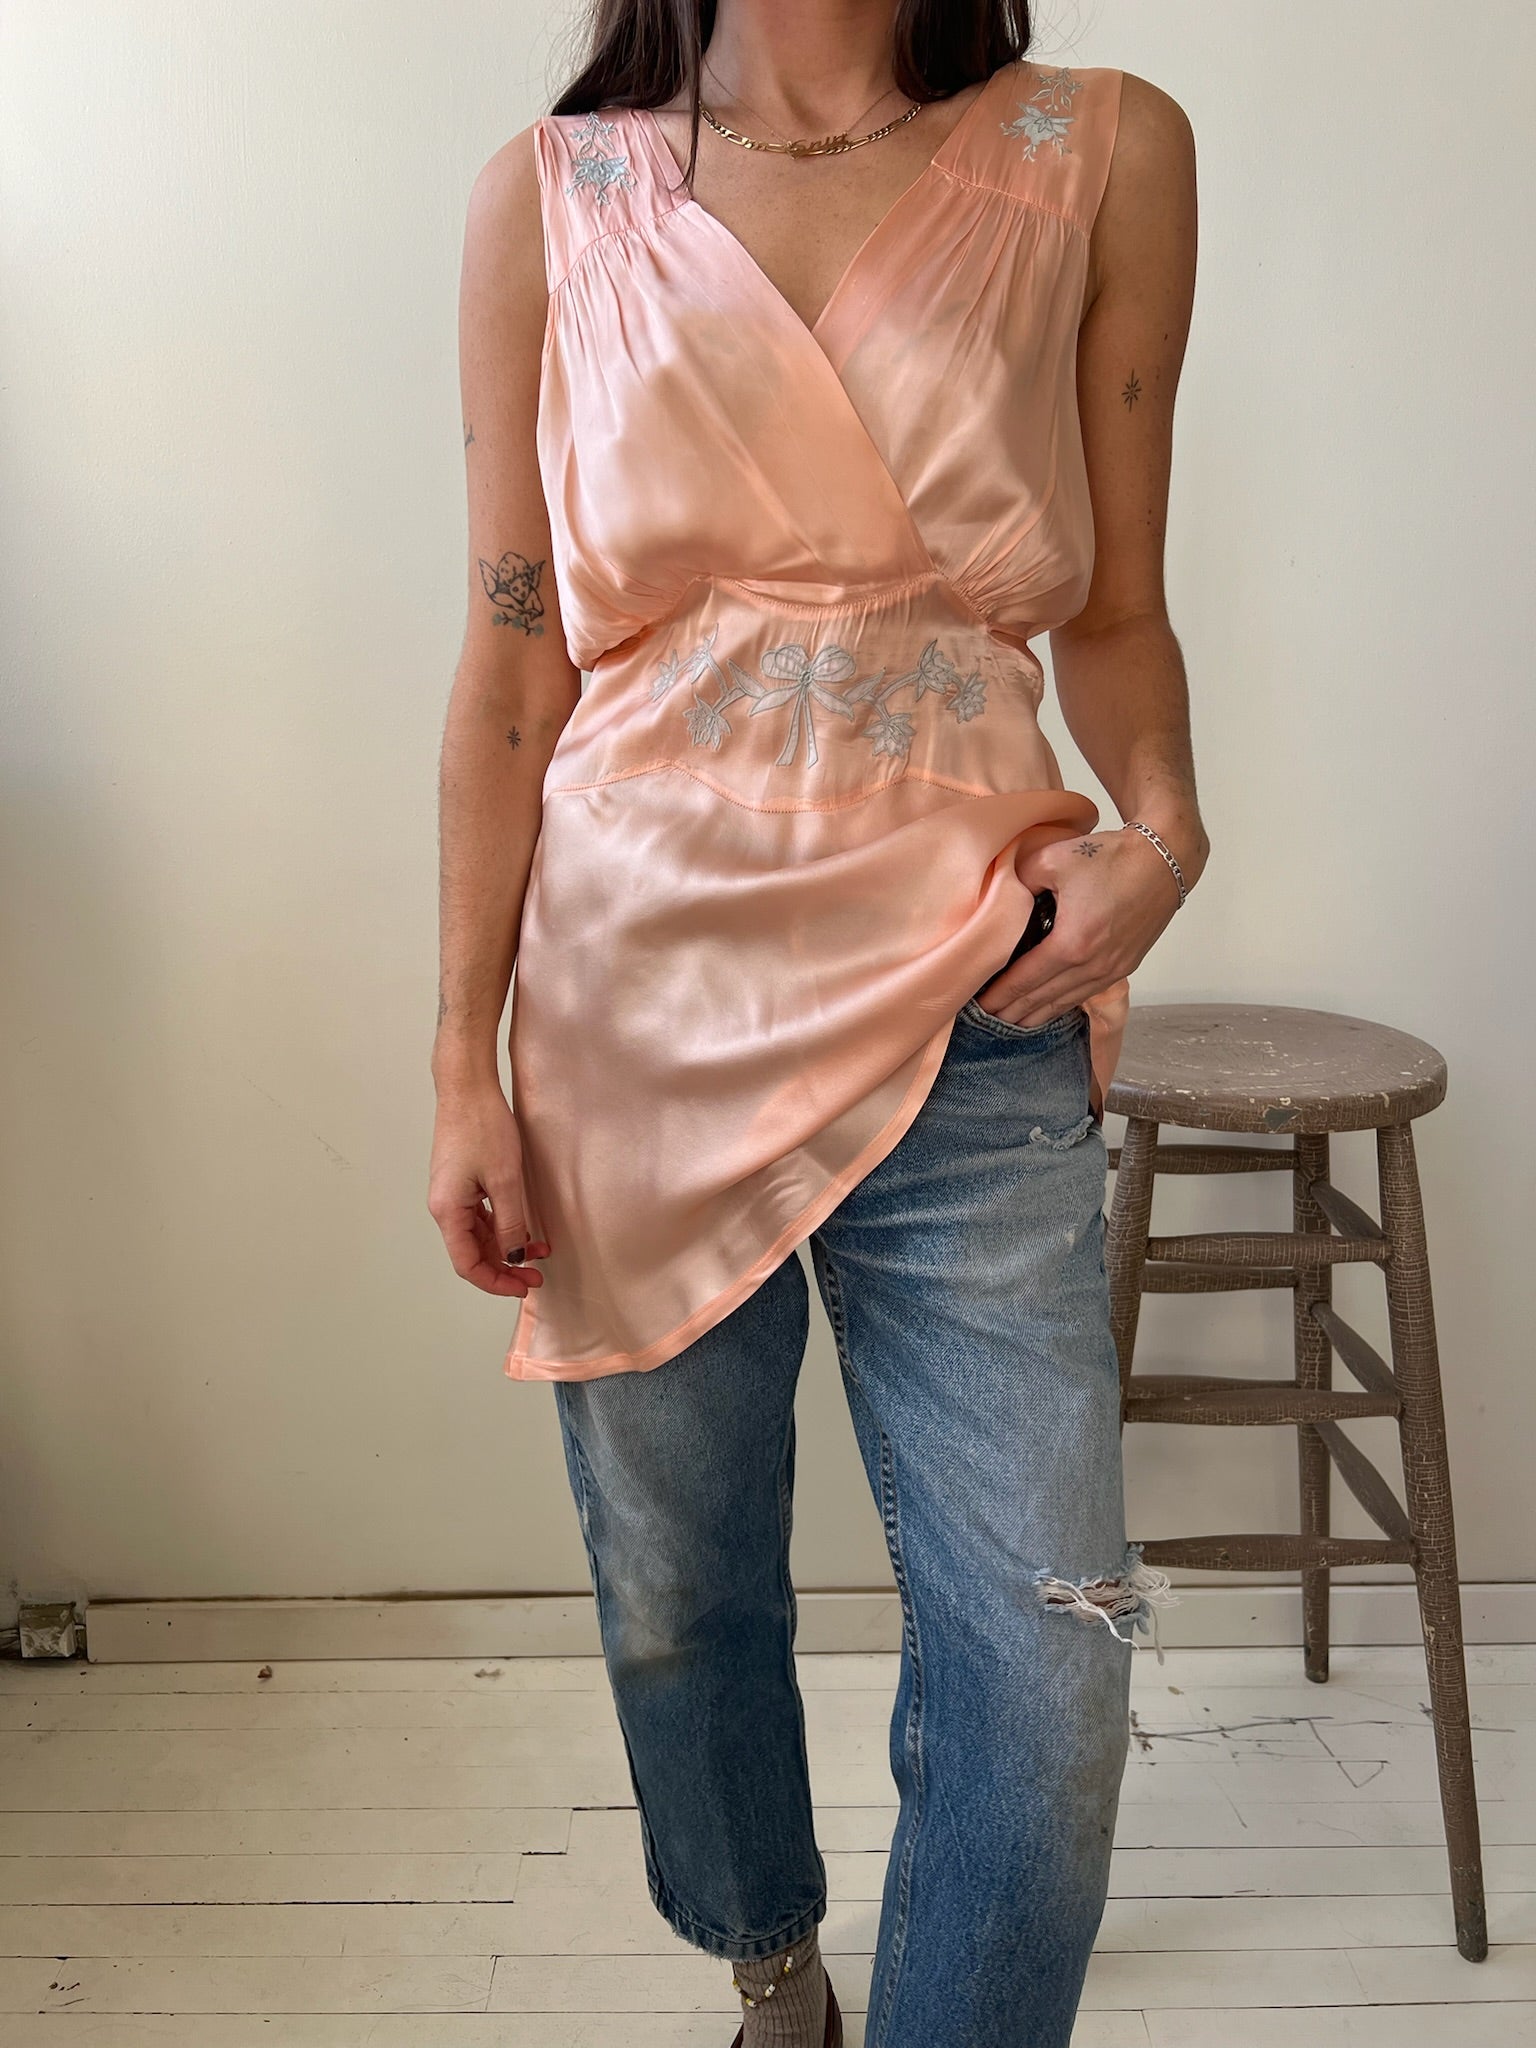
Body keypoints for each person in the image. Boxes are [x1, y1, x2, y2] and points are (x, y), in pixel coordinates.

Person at [429, 2, 1204, 2041]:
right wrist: (458, 1063)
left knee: (1052, 1652)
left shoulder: (1103, 151)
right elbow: (512, 663)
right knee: (682, 1589)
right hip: (629, 1013)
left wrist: (1165, 829)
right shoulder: (551, 200)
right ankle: (770, 1957)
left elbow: (1117, 605)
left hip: (976, 982)